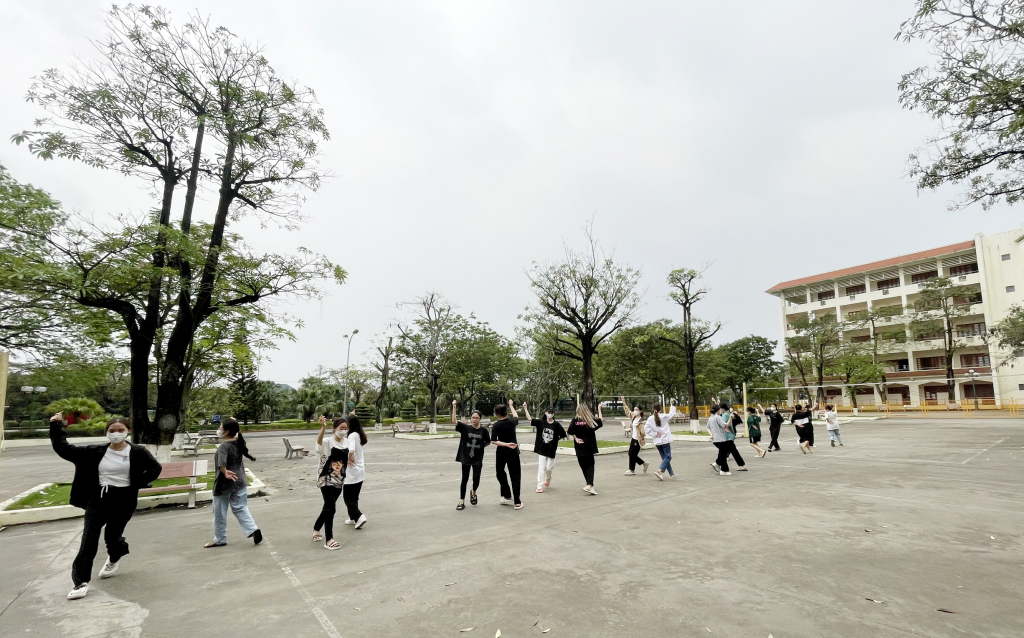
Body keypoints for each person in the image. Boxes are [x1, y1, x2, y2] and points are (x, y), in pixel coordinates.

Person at [48, 412, 162, 600]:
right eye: (112, 430)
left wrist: (136, 483)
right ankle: (80, 582)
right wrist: (55, 426)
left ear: (128, 432)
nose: (116, 433)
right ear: (106, 433)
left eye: (120, 430)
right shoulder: (96, 452)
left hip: (124, 500)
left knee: (112, 537)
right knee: (88, 541)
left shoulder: (138, 452)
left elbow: (155, 469)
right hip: (99, 499)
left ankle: (115, 556)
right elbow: (64, 449)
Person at [205, 418, 263, 548]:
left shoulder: (223, 447)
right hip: (240, 481)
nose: (219, 429)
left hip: (224, 484)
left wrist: (225, 472)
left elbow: (221, 464)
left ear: (226, 432)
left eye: (220, 427)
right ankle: (252, 529)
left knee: (219, 512)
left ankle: (220, 539)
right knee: (241, 507)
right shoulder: (238, 442)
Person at [312, 415, 347, 549]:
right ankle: (329, 539)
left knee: (328, 507)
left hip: (339, 479)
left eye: (345, 428)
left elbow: (347, 455)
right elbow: (319, 444)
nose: (343, 431)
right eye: (341, 428)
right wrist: (323, 427)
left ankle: (316, 528)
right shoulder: (328, 441)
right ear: (334, 429)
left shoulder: (347, 442)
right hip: (325, 477)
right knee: (331, 508)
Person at [453, 401, 491, 509]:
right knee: (464, 479)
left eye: (476, 418)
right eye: (473, 417)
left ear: (480, 419)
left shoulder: (483, 431)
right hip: (466, 457)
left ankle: (474, 491)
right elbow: (454, 421)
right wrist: (454, 407)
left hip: (477, 458)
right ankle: (462, 501)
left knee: (476, 478)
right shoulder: (466, 428)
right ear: (471, 419)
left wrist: (480, 448)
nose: (474, 419)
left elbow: (488, 441)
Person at [523, 402, 567, 493]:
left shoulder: (557, 425)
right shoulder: (541, 423)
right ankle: (539, 485)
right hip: (542, 449)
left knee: (549, 468)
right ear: (545, 413)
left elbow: (563, 435)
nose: (550, 413)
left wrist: (556, 440)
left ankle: (548, 478)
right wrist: (525, 408)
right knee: (542, 468)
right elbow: (529, 419)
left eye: (552, 412)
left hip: (551, 450)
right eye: (549, 412)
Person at [491, 399, 524, 509]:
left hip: (501, 452)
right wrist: (511, 405)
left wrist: (505, 444)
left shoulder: (496, 425)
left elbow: (494, 441)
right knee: (515, 476)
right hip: (513, 451)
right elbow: (516, 415)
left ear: (496, 414)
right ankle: (517, 501)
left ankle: (507, 495)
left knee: (500, 473)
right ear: (506, 412)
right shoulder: (512, 422)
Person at [566, 402, 604, 495]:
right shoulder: (590, 421)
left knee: (583, 465)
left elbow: (570, 431)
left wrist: (576, 438)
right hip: (589, 446)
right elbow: (601, 421)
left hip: (579, 446)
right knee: (590, 465)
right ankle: (589, 485)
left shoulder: (575, 420)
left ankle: (589, 485)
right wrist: (599, 409)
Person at [344, 415, 369, 529]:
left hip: (352, 471)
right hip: (359, 469)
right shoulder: (358, 434)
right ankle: (352, 517)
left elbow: (351, 450)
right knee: (354, 496)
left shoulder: (352, 436)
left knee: (348, 497)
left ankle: (359, 516)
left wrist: (347, 458)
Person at [644, 399, 678, 480]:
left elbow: (646, 428)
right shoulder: (663, 416)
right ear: (660, 409)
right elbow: (672, 413)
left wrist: (655, 434)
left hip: (657, 441)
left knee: (665, 458)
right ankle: (660, 470)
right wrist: (672, 404)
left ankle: (671, 474)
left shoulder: (650, 418)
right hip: (665, 440)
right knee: (668, 457)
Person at [621, 396, 649, 476]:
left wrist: (641, 433)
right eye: (635, 409)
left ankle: (633, 469)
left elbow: (643, 432)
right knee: (631, 454)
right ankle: (641, 465)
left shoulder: (641, 421)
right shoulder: (633, 417)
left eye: (637, 410)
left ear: (640, 411)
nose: (635, 411)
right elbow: (627, 411)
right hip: (633, 438)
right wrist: (624, 402)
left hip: (638, 440)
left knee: (632, 454)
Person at [719, 401, 747, 471]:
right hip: (730, 435)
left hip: (728, 436)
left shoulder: (725, 415)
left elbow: (724, 424)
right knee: (730, 451)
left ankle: (717, 463)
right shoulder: (728, 413)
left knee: (728, 451)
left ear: (723, 408)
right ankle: (742, 465)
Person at [707, 404, 732, 475]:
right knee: (723, 454)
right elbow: (726, 425)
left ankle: (717, 464)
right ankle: (723, 470)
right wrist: (730, 418)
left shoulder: (711, 418)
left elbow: (707, 427)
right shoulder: (717, 417)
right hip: (720, 439)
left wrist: (711, 434)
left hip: (715, 439)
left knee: (723, 453)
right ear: (718, 410)